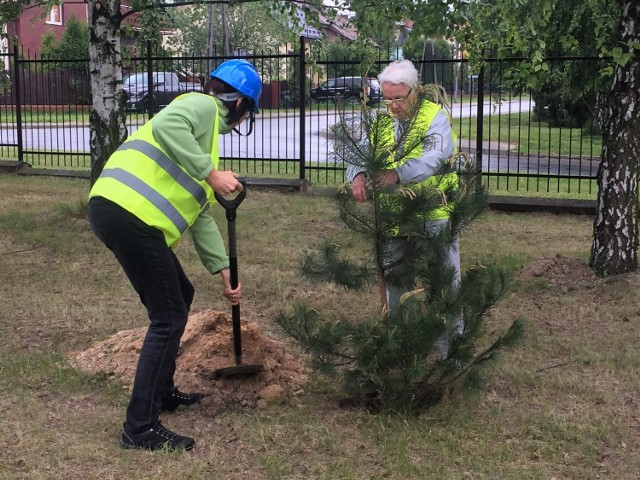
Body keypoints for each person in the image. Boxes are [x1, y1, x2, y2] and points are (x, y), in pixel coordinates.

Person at [88, 59, 262, 452]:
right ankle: (140, 427)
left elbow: (201, 216)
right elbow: (168, 126)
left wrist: (223, 273)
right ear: (240, 105)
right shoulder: (201, 106)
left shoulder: (205, 141)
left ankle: (163, 393)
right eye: (248, 110)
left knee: (180, 296)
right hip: (127, 213)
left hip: (123, 215)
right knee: (168, 317)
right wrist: (210, 172)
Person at [346, 59, 462, 354]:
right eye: (388, 99)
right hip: (394, 215)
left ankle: (450, 350)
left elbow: (431, 159)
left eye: (399, 98)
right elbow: (358, 150)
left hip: (435, 212)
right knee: (397, 280)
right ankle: (403, 345)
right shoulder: (382, 121)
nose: (393, 106)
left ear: (414, 91)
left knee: (445, 281)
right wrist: (356, 174)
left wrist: (396, 174)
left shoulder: (434, 117)